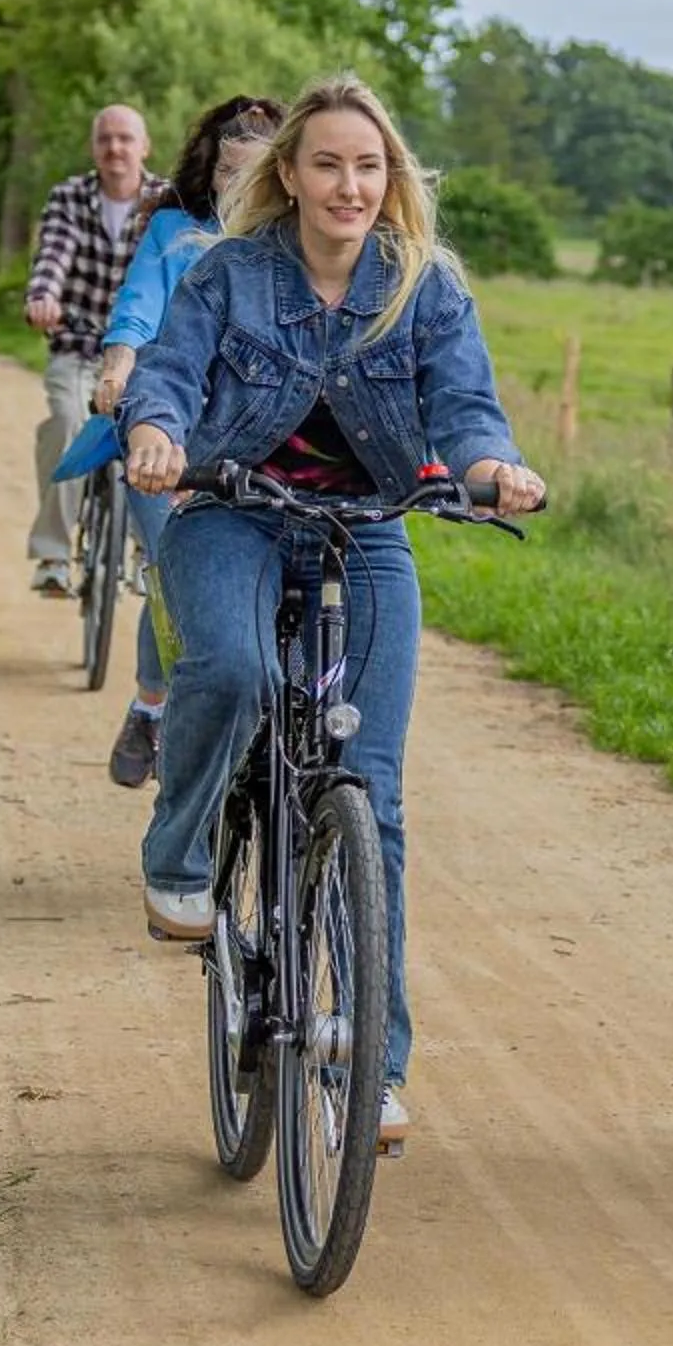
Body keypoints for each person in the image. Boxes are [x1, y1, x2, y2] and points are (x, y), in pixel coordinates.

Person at [120, 74, 544, 1148]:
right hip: (233, 510)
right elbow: (166, 376)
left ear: (389, 178)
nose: (349, 184)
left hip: (366, 526)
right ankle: (179, 856)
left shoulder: (424, 288)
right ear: (292, 176)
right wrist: (159, 435)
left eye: (369, 166)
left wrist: (492, 461)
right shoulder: (230, 274)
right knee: (230, 669)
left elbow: (465, 399)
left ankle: (370, 1060)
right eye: (327, 164)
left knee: (375, 795)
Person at [89, 94, 287, 788]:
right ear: (212, 171)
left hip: (259, 450)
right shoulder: (176, 231)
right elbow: (139, 307)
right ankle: (151, 704)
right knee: (176, 566)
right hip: (166, 434)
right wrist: (118, 366)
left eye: (257, 173)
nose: (242, 189)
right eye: (230, 173)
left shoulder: (298, 244)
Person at [24, 104, 165, 596]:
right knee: (65, 421)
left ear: (144, 147)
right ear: (94, 149)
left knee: (157, 435)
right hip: (80, 346)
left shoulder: (166, 203)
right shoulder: (69, 197)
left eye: (126, 138)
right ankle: (54, 556)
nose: (115, 148)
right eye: (105, 139)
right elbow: (54, 255)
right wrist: (44, 297)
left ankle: (150, 554)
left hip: (146, 358)